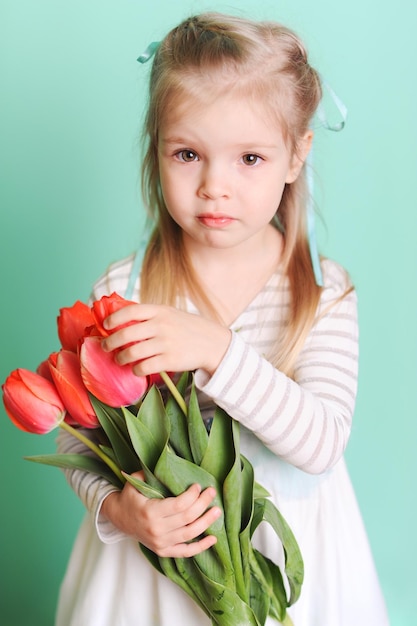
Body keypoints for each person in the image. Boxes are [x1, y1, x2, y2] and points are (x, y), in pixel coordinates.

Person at [55, 12, 389, 626]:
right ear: (155, 147)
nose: (215, 186)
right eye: (188, 153)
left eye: (250, 159)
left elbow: (320, 443)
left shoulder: (321, 292)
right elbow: (76, 435)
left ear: (296, 155)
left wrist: (216, 350)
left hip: (289, 558)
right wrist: (119, 510)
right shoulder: (122, 292)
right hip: (156, 571)